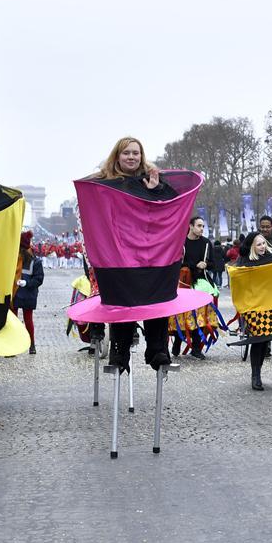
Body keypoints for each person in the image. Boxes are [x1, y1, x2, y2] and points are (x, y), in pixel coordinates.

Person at [87, 136, 175, 373]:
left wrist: (156, 190)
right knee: (121, 302)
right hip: (118, 250)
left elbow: (169, 208)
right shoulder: (104, 183)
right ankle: (119, 352)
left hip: (149, 250)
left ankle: (157, 349)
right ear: (117, 156)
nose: (132, 157)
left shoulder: (152, 179)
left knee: (157, 298)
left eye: (136, 153)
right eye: (126, 153)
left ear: (141, 156)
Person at [171, 215, 213, 360]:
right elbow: (175, 261)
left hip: (201, 282)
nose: (201, 229)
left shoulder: (207, 243)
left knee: (200, 315)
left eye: (203, 226)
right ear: (190, 226)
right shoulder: (181, 242)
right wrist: (192, 265)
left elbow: (214, 263)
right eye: (199, 225)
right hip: (183, 282)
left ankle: (196, 347)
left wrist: (206, 264)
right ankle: (177, 340)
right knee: (181, 314)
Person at [237, 232, 272, 389]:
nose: (262, 247)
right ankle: (255, 376)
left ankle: (258, 372)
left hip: (268, 303)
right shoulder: (244, 262)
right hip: (252, 306)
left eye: (264, 243)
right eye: (259, 244)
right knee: (258, 339)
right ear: (252, 247)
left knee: (265, 340)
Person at [12, 230, 44, 354]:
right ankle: (16, 345)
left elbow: (39, 279)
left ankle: (31, 344)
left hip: (27, 294)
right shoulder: (17, 258)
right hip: (16, 293)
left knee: (27, 320)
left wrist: (27, 283)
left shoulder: (35, 262)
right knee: (14, 321)